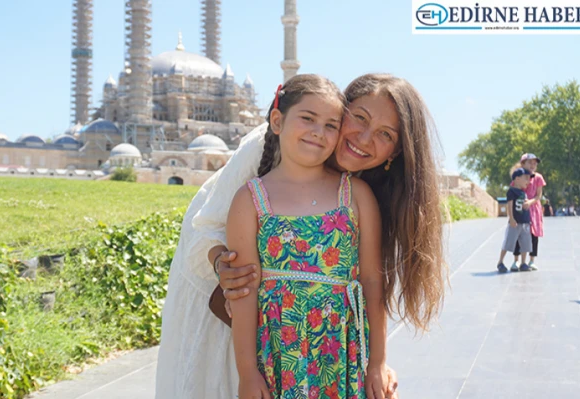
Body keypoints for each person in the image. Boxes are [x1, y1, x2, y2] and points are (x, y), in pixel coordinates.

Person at [155, 74, 446, 399]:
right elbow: (207, 227)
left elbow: (367, 282)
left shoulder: (362, 191)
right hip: (233, 308)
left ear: (396, 152)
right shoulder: (269, 149)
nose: (364, 138)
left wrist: (375, 362)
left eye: (384, 134)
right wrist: (224, 265)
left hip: (328, 346)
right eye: (359, 118)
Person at [226, 75, 387, 398]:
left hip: (340, 348)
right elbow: (244, 290)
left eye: (331, 125)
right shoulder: (251, 200)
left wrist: (378, 363)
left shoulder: (355, 194)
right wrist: (247, 371)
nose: (318, 131)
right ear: (277, 120)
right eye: (308, 118)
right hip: (280, 353)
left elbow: (371, 280)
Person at [510, 153, 546, 271]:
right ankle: (516, 260)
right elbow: (513, 192)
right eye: (530, 162)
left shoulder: (538, 177)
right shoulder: (518, 177)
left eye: (535, 163)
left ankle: (531, 260)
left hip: (533, 209)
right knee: (518, 234)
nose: (533, 165)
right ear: (523, 164)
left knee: (533, 235)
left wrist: (530, 202)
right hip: (520, 209)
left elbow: (538, 195)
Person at [497, 168, 534, 273]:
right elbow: (510, 205)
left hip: (525, 222)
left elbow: (525, 204)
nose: (527, 181)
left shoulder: (524, 192)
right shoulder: (511, 191)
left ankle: (523, 263)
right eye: (525, 179)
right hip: (515, 222)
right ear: (517, 179)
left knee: (526, 243)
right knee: (509, 242)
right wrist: (511, 218)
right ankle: (500, 262)